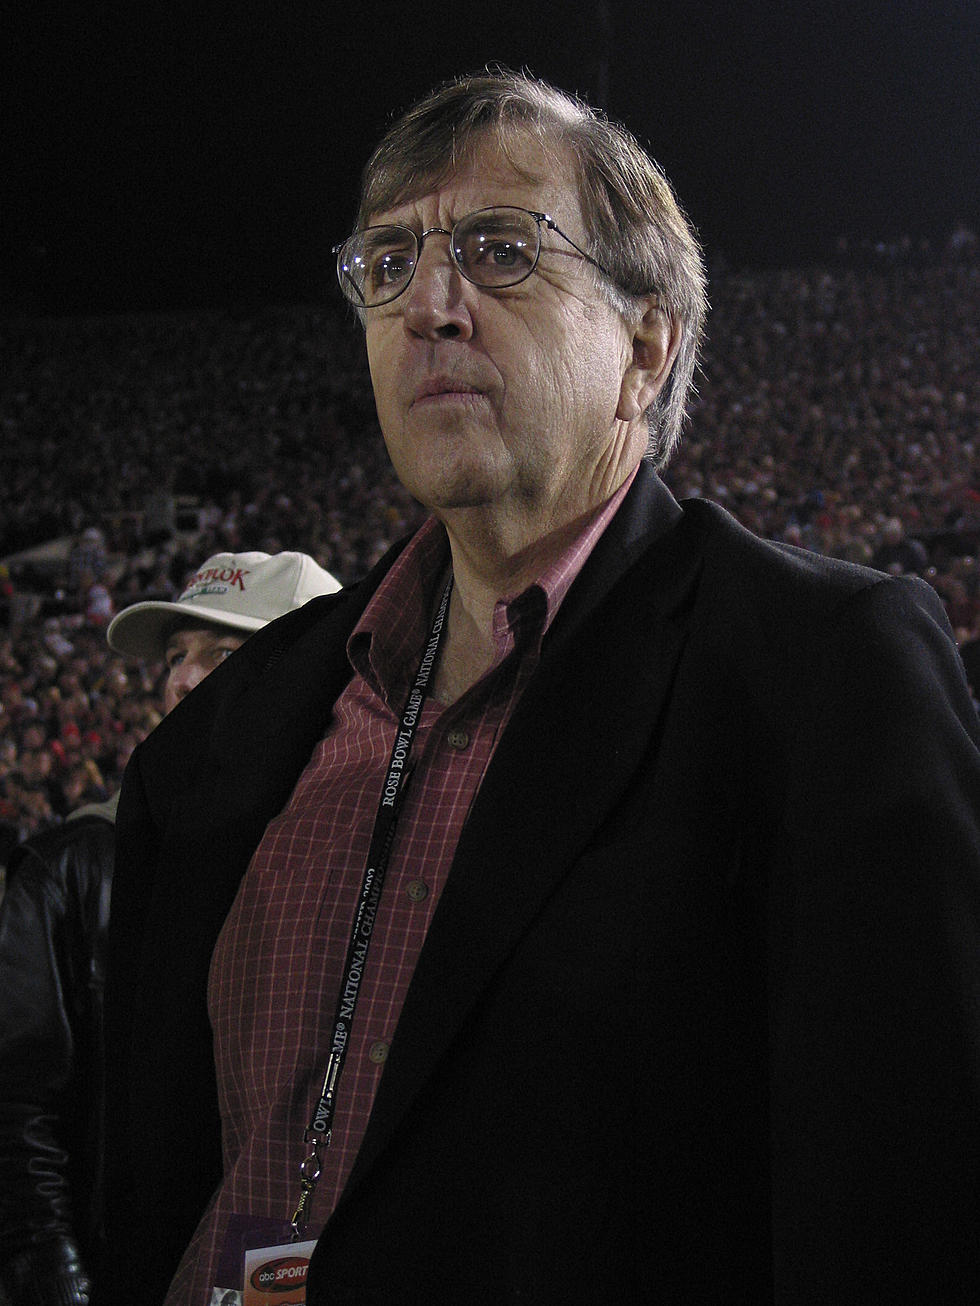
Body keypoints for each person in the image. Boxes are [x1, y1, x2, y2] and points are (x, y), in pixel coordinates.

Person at [102, 70, 980, 1306]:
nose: (430, 308)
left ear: (645, 340)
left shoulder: (816, 672)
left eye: (498, 250)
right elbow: (150, 1175)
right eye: (389, 264)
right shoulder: (223, 735)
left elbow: (900, 1205)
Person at [0, 551, 340, 1306]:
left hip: (286, 1263)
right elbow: (21, 1119)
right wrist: (55, 1282)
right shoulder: (69, 872)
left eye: (222, 652)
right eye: (177, 656)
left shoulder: (371, 864)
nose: (182, 678)